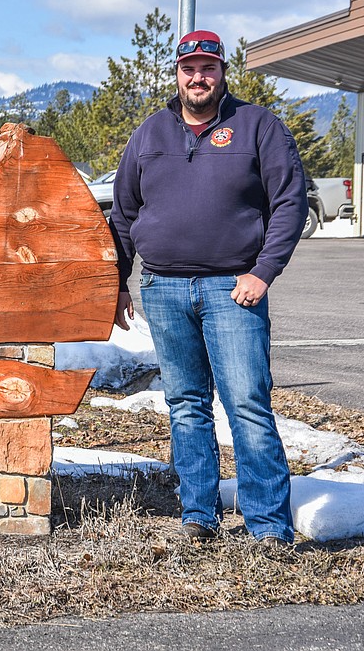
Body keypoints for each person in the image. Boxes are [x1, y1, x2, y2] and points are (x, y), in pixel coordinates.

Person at [112, 30, 306, 546]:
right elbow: (125, 214)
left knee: (246, 402)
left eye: (209, 68)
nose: (198, 78)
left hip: (233, 290)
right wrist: (119, 283)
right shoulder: (149, 134)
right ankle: (199, 515)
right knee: (186, 404)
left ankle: (268, 526)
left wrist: (263, 272)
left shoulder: (258, 126)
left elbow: (290, 202)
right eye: (189, 69)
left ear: (222, 73)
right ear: (176, 74)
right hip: (163, 288)